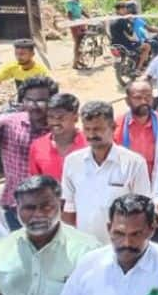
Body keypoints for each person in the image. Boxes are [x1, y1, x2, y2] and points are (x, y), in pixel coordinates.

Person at [61, 101, 151, 244]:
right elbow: (69, 207)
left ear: (113, 127)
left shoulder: (134, 163)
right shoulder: (72, 162)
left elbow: (143, 209)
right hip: (84, 247)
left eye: (97, 129)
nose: (91, 135)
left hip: (122, 248)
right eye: (87, 129)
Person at [0, 75, 53, 230]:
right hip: (15, 209)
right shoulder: (10, 123)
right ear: (22, 101)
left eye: (41, 101)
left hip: (50, 211)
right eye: (29, 100)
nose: (34, 106)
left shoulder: (61, 131)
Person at [114, 79, 158, 177]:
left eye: (148, 96)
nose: (144, 101)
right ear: (127, 101)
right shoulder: (117, 125)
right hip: (127, 181)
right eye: (138, 98)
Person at [28, 93, 87, 181]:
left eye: (61, 118)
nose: (55, 122)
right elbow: (36, 182)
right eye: (51, 117)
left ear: (75, 118)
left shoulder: (91, 144)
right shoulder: (37, 147)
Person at [109, 2, 151, 71]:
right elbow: (130, 33)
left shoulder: (112, 20)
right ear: (119, 10)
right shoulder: (123, 20)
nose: (126, 10)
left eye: (125, 8)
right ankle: (139, 68)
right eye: (124, 9)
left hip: (114, 44)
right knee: (147, 46)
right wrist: (130, 23)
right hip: (125, 44)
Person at [65, 0, 90, 70]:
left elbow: (81, 10)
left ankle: (80, 60)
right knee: (78, 43)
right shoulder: (70, 1)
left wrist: (89, 17)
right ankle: (75, 64)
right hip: (75, 24)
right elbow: (69, 14)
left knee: (82, 42)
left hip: (80, 22)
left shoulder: (77, 0)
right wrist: (74, 22)